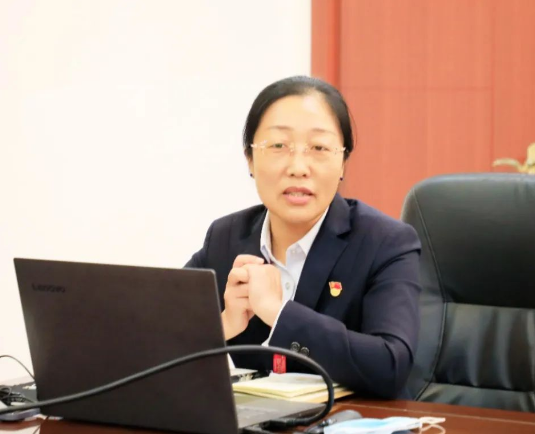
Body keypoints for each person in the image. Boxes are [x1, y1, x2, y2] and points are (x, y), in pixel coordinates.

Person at [186, 76, 421, 399]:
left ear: (343, 162)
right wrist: (223, 325)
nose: (298, 167)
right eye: (278, 146)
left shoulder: (386, 242)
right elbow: (155, 339)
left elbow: (391, 365)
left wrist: (277, 312)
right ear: (250, 159)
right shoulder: (226, 238)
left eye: (319, 148)